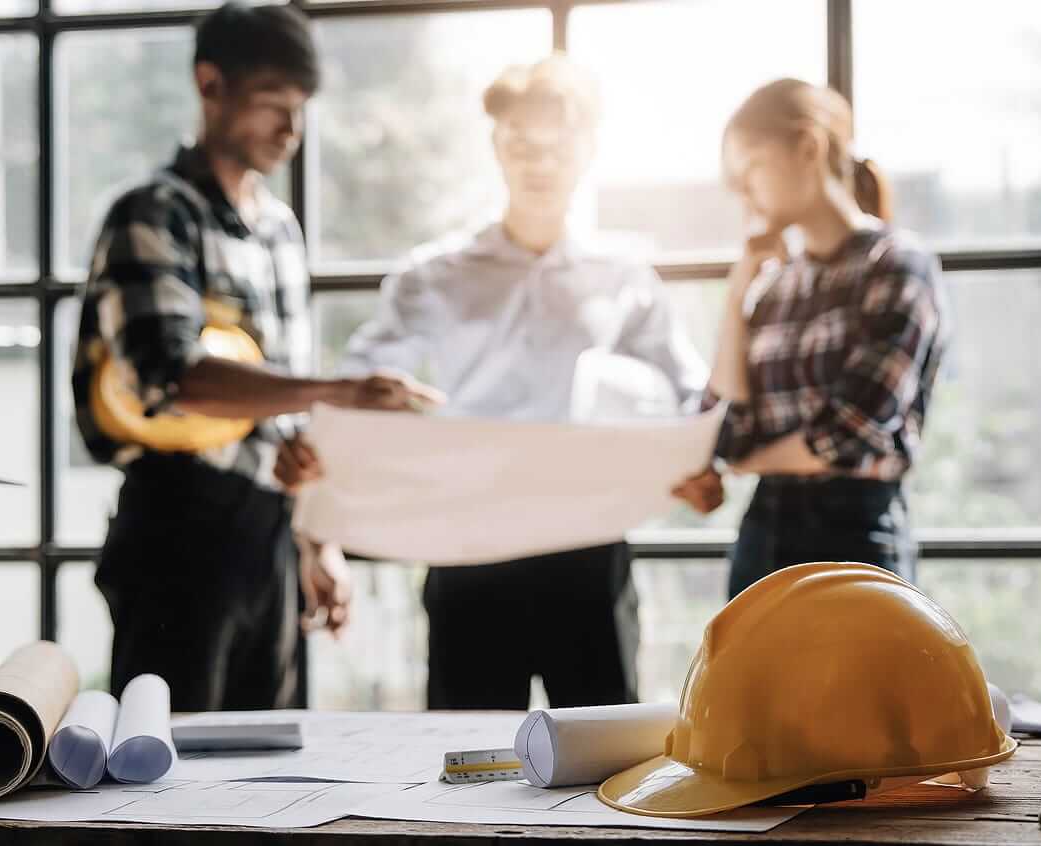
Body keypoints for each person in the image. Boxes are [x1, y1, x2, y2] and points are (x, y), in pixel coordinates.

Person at [284, 55, 707, 710]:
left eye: (557, 146)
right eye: (520, 145)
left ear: (589, 149)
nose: (539, 163)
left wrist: (701, 469)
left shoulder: (621, 275)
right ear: (496, 148)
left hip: (587, 549)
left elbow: (690, 395)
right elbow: (351, 392)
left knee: (605, 757)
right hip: (466, 549)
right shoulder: (436, 274)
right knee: (469, 760)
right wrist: (325, 481)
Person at [71, 1, 439, 711]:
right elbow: (171, 379)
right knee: (162, 780)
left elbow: (282, 422)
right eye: (273, 105)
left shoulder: (279, 230)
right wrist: (335, 391)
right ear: (210, 85)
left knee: (269, 777)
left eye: (300, 109)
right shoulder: (152, 213)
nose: (291, 131)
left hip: (268, 538)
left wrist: (314, 540)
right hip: (175, 531)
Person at [672, 78, 950, 598]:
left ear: (808, 147)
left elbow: (851, 431)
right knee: (750, 683)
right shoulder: (776, 286)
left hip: (858, 532)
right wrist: (736, 300)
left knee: (864, 682)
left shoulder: (895, 265)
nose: (741, 191)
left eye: (750, 168)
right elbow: (726, 426)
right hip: (762, 532)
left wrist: (742, 461)